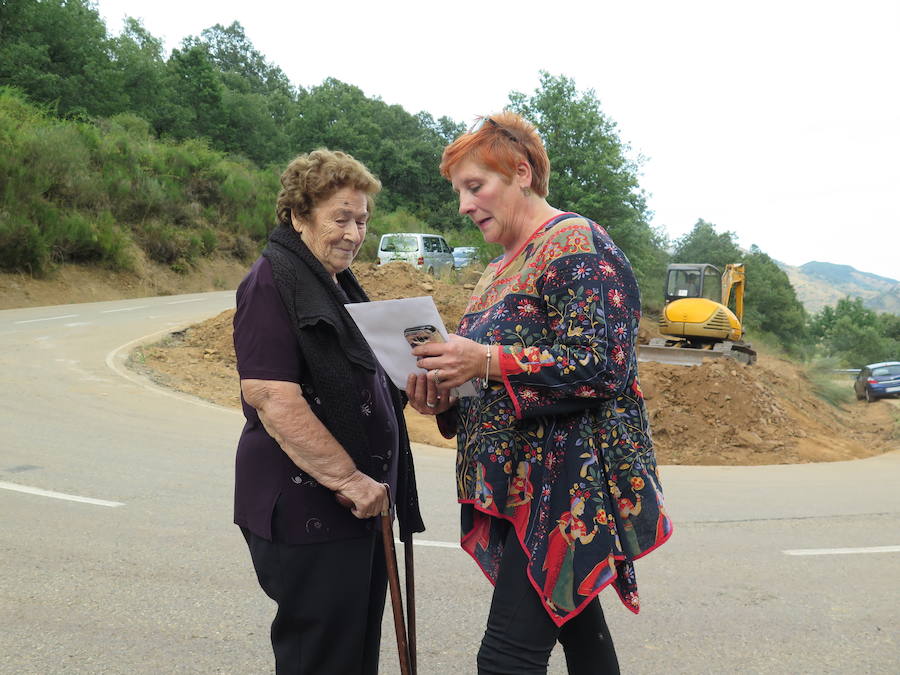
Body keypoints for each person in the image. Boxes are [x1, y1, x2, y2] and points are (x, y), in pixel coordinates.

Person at [406, 112, 672, 674]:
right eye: (459, 191)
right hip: (518, 485)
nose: (463, 204)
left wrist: (483, 358)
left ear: (521, 172)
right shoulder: (499, 268)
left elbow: (603, 365)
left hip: (565, 486)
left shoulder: (576, 244)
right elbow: (494, 378)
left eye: (475, 187)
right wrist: (449, 393)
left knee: (504, 660)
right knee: (578, 629)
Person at [233, 149, 424, 674]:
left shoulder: (335, 284)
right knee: (321, 660)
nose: (354, 233)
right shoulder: (272, 283)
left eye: (362, 220)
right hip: (310, 512)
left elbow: (372, 381)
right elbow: (272, 396)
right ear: (299, 216)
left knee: (353, 655)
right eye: (340, 218)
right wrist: (349, 478)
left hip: (360, 511)